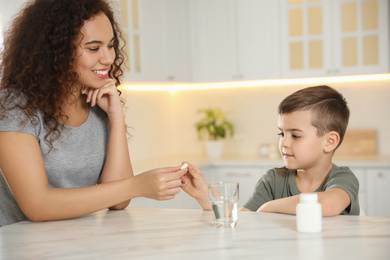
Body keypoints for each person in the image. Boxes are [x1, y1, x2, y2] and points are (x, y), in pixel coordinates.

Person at [0, 0, 187, 227]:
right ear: (55, 52)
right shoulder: (15, 106)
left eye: (111, 45)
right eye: (93, 48)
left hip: (77, 242)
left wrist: (116, 118)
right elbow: (38, 205)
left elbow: (119, 202)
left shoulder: (98, 105)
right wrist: (138, 185)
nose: (108, 58)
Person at [181, 85, 360, 216]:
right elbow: (242, 221)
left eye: (295, 136)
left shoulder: (342, 178)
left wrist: (268, 207)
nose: (283, 143)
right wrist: (205, 197)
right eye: (281, 133)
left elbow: (328, 205)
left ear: (330, 141)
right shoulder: (272, 180)